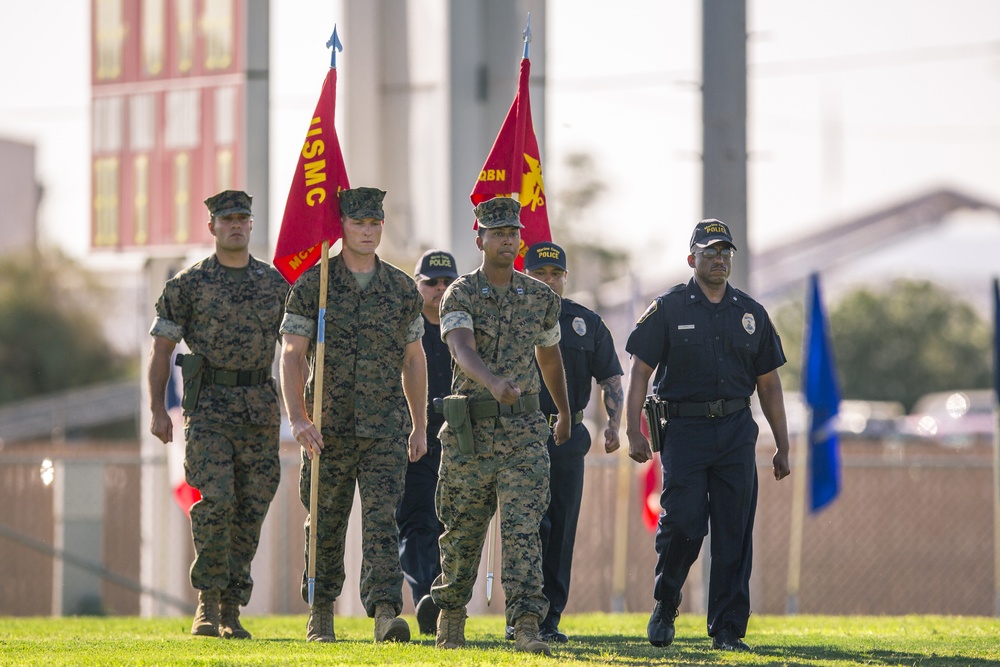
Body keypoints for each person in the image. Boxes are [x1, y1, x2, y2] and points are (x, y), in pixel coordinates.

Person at [624, 219, 791, 652]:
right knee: (683, 524)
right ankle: (666, 602)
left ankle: (727, 629)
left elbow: (769, 385)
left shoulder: (751, 313)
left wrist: (783, 444)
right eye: (709, 252)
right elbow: (640, 371)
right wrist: (632, 430)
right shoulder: (669, 308)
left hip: (737, 432)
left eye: (725, 253)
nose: (718, 259)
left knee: (734, 532)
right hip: (685, 431)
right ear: (691, 258)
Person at [279, 187, 427, 643]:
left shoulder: (402, 289)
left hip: (384, 428)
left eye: (375, 223)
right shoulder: (315, 285)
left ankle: (385, 612)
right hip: (328, 427)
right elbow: (291, 354)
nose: (368, 231)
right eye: (359, 223)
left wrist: (419, 423)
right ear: (341, 227)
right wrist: (299, 418)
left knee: (383, 520)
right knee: (325, 519)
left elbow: (415, 360)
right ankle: (321, 611)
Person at [431, 197, 572, 656]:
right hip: (471, 434)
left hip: (524, 434)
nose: (507, 240)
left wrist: (565, 411)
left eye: (512, 232)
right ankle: (450, 616)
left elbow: (550, 357)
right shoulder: (461, 293)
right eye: (497, 233)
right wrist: (491, 382)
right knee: (463, 531)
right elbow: (459, 347)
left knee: (523, 529)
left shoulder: (540, 296)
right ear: (480, 239)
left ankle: (527, 623)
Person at [147, 190, 287, 640]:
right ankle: (208, 602)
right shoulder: (188, 285)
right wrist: (156, 410)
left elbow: (300, 347)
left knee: (251, 507)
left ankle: (232, 605)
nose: (236, 226)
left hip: (260, 410)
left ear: (251, 224)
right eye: (227, 219)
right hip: (209, 411)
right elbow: (162, 350)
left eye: (243, 218)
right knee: (216, 503)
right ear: (212, 227)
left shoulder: (274, 284)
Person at [501, 241, 624, 644]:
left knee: (561, 527)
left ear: (565, 278)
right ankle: (521, 615)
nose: (549, 281)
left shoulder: (585, 323)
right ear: (525, 274)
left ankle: (549, 619)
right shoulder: (508, 318)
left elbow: (610, 379)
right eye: (540, 274)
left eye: (556, 274)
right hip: (519, 435)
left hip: (568, 438)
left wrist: (613, 425)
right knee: (526, 527)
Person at [395, 249, 458, 635]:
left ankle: (445, 596)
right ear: (416, 285)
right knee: (417, 521)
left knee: (451, 522)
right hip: (415, 437)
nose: (440, 289)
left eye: (447, 281)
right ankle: (426, 596)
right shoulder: (405, 326)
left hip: (457, 438)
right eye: (431, 282)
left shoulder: (464, 327)